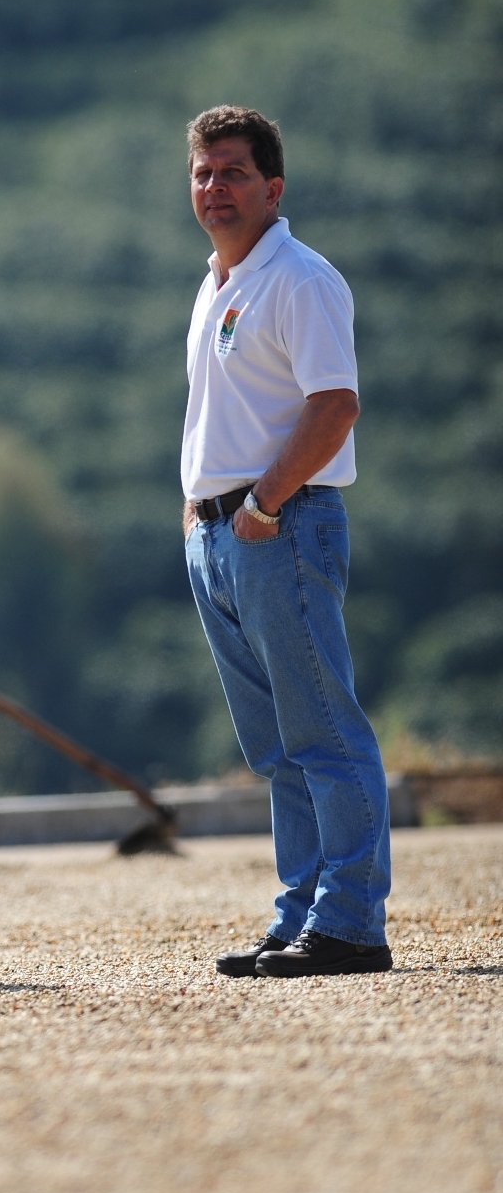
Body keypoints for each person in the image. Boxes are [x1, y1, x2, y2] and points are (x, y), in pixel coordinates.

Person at [180, 105, 392, 979]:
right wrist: (199, 510)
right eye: (201, 172)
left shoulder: (299, 279)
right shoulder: (220, 279)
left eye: (231, 172)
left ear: (273, 187)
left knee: (325, 733)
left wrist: (263, 503)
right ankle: (302, 912)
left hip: (282, 523)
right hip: (222, 532)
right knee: (276, 746)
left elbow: (334, 403)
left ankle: (349, 924)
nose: (213, 188)